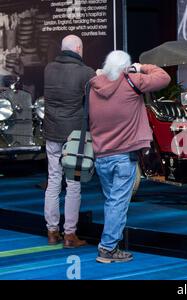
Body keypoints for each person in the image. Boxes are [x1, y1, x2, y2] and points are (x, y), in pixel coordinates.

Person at [89, 50, 170, 263]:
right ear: (125, 67)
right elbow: (163, 77)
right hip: (123, 156)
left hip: (101, 155)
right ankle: (107, 248)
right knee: (118, 202)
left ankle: (111, 243)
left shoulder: (93, 85)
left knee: (111, 201)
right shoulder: (132, 81)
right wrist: (140, 67)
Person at [43, 35, 95, 247]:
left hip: (52, 132)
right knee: (73, 185)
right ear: (79, 49)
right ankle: (69, 235)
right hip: (75, 138)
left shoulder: (48, 69)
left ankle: (52, 232)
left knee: (53, 181)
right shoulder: (86, 73)